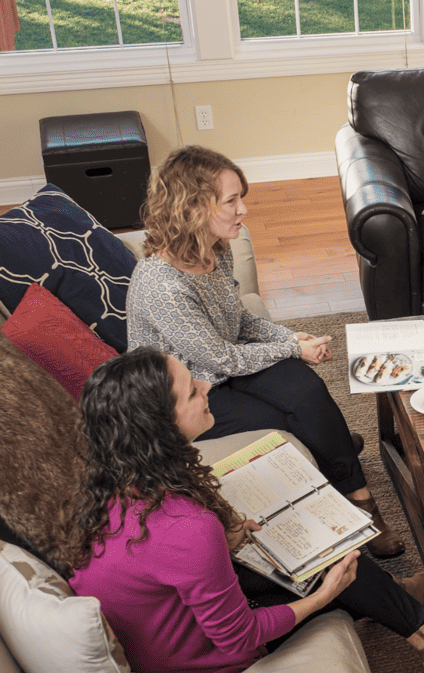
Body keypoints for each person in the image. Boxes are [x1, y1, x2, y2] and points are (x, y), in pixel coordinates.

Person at [65, 348, 424, 673]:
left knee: (316, 543)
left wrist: (226, 538)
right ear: (160, 425)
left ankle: (403, 607)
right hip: (200, 663)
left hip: (173, 619)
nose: (207, 384)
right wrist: (322, 597)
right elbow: (238, 637)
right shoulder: (186, 528)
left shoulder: (118, 475)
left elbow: (164, 564)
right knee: (332, 570)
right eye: (192, 391)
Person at [124, 145, 404, 558]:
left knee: (305, 389)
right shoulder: (164, 285)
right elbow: (221, 357)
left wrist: (291, 340)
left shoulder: (213, 252)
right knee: (287, 420)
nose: (244, 210)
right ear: (194, 207)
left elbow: (239, 323)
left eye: (242, 197)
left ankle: (362, 499)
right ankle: (337, 451)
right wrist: (289, 346)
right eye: (232, 200)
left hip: (221, 367)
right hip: (187, 396)